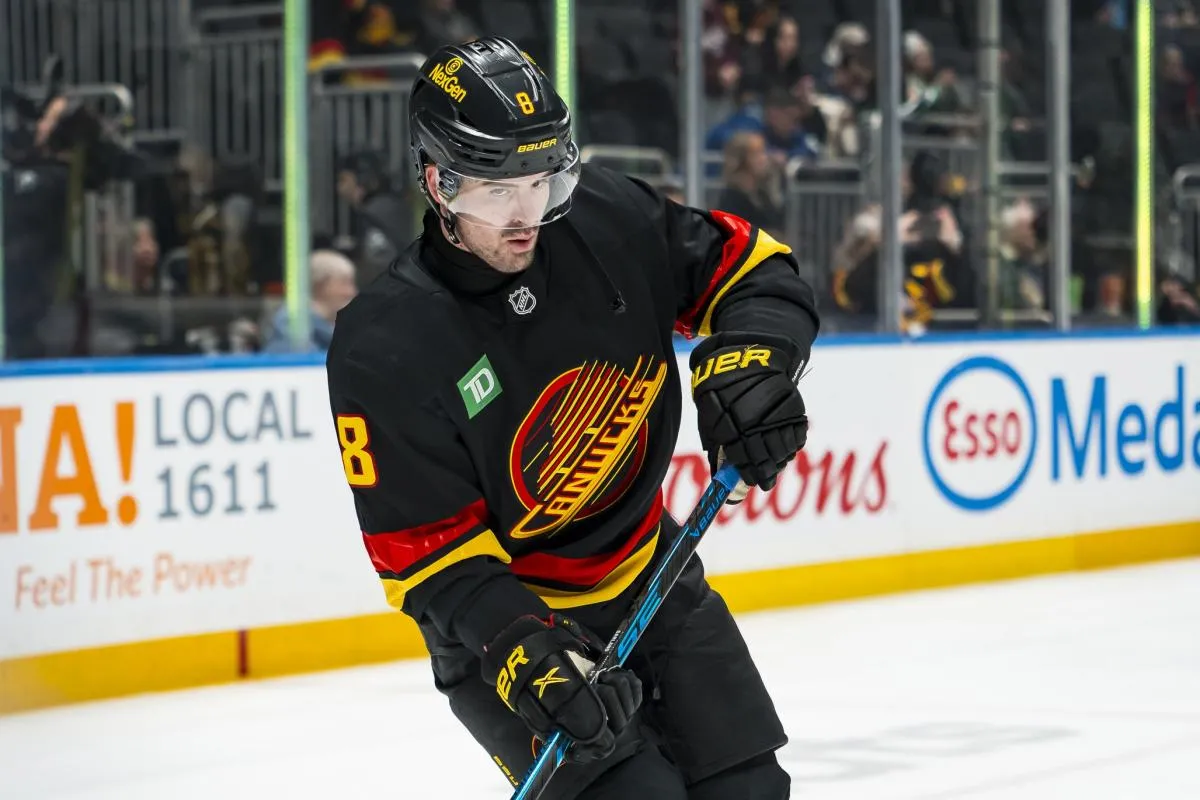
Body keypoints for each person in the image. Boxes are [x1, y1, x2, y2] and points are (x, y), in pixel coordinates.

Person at [325, 36, 819, 800]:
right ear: (436, 179)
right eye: (496, 192)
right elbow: (430, 557)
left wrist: (756, 353)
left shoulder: (608, 219)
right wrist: (522, 647)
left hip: (651, 572)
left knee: (749, 790)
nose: (527, 218)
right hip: (513, 626)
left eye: (542, 183)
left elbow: (752, 269)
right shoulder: (385, 345)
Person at [262, 249, 357, 353]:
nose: (352, 292)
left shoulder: (338, 330)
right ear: (320, 285)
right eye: (345, 283)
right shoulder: (291, 328)